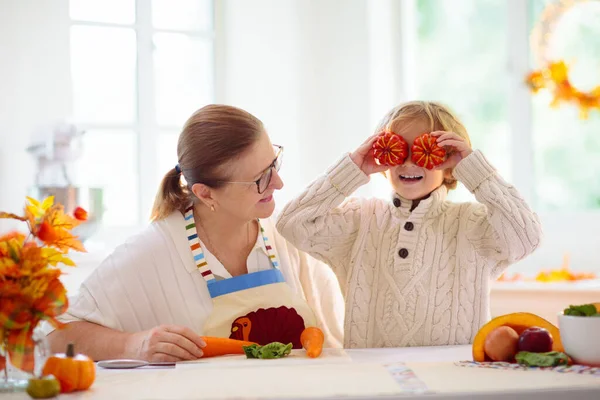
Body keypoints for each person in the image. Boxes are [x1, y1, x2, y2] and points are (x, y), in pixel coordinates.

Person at [45, 104, 344, 361]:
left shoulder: (285, 235)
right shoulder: (152, 252)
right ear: (206, 193)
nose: (278, 183)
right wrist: (133, 345)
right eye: (260, 178)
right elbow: (56, 335)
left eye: (274, 163)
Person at [276, 101, 542, 348]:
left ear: (450, 164)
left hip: (455, 374)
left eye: (426, 150)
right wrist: (352, 168)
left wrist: (476, 171)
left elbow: (527, 237)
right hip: (374, 376)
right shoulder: (359, 221)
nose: (409, 160)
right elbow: (292, 222)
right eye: (397, 148)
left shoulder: (473, 224)